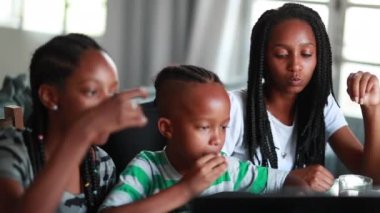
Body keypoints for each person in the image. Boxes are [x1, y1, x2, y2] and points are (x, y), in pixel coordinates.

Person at [99, 65, 308, 213]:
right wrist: (187, 189)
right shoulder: (147, 167)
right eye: (204, 127)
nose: (217, 138)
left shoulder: (228, 169)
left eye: (224, 126)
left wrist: (304, 186)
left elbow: (282, 180)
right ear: (167, 128)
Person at [222, 2, 380, 191]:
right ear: (262, 58)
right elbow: (208, 172)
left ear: (318, 57)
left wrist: (372, 109)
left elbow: (372, 178)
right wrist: (285, 178)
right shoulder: (234, 108)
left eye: (306, 54)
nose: (295, 65)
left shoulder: (321, 105)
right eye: (281, 55)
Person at [0, 33, 148, 213]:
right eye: (92, 92)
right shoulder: (12, 151)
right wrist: (83, 132)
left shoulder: (102, 165)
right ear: (50, 97)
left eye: (112, 92)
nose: (109, 106)